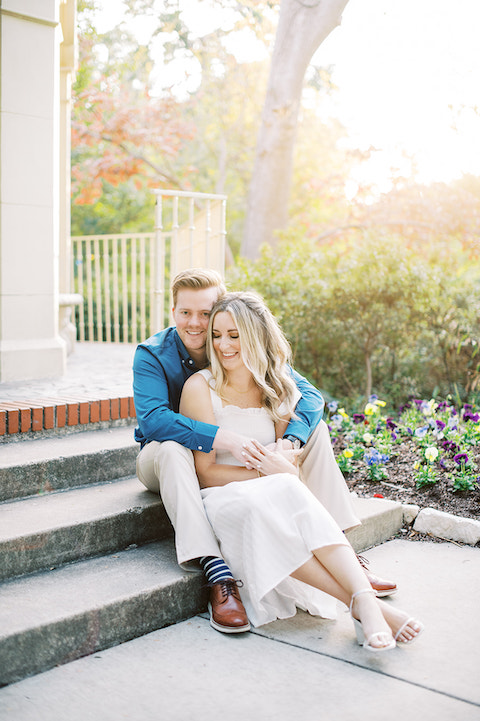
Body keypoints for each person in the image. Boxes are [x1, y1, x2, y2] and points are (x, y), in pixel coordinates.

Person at [133, 268, 395, 634]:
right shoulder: (152, 355)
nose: (195, 324)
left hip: (243, 461)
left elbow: (310, 396)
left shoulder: (238, 340)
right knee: (174, 448)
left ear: (222, 309)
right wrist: (227, 441)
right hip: (162, 457)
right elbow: (155, 422)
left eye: (206, 314)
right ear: (172, 311)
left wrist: (287, 446)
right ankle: (215, 569)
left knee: (314, 429)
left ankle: (340, 547)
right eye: (184, 313)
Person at [179, 291, 423, 650]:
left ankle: (362, 602)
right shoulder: (200, 387)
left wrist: (279, 472)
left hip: (274, 488)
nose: (223, 345)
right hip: (224, 497)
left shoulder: (276, 387)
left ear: (256, 336)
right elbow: (206, 473)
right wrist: (268, 474)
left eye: (234, 335)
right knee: (271, 500)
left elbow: (286, 461)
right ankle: (362, 602)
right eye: (217, 335)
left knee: (288, 493)